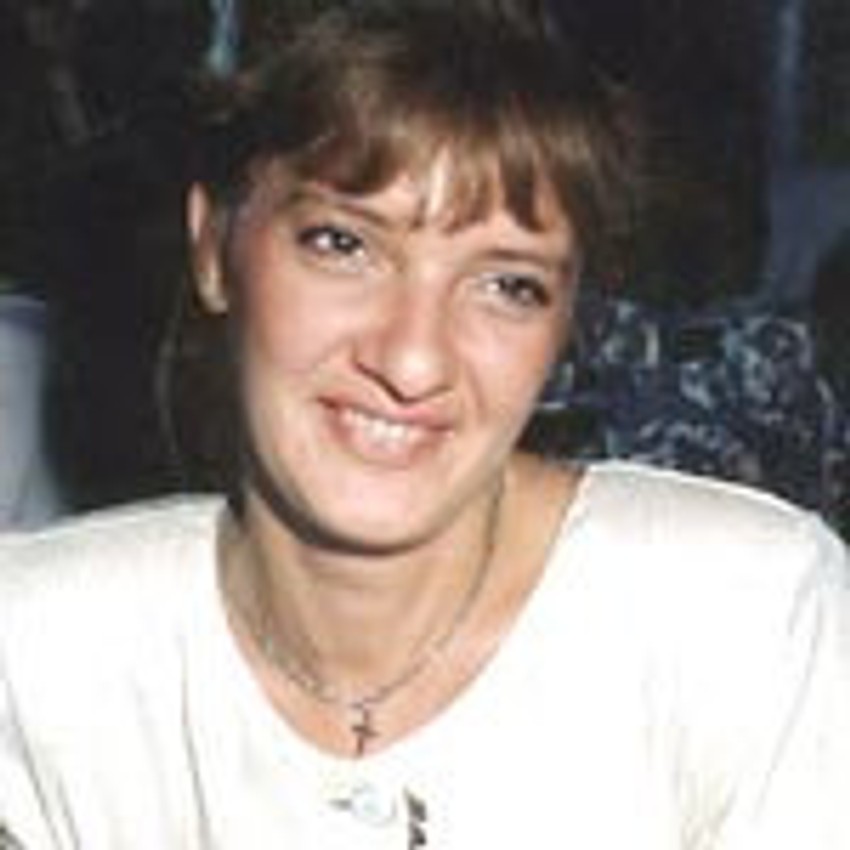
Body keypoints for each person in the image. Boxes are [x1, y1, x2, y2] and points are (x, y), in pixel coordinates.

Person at [1, 2, 848, 847]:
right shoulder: (41, 656)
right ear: (215, 248)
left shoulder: (740, 621)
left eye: (508, 285)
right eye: (343, 244)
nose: (412, 361)